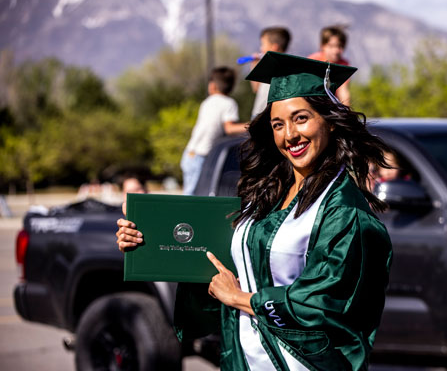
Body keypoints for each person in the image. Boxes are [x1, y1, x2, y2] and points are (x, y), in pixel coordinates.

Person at [116, 52, 393, 370]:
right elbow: (218, 257)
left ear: (330, 122)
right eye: (278, 124)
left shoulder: (344, 213)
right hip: (243, 360)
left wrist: (239, 299)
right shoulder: (267, 196)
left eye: (301, 118)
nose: (289, 135)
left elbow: (321, 303)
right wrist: (145, 239)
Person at [181, 67, 247, 195]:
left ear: (212, 86)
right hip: (200, 155)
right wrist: (251, 125)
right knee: (193, 195)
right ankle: (184, 215)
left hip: (191, 153)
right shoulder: (229, 103)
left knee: (191, 192)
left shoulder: (207, 102)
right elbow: (229, 128)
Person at [250, 26, 292, 118]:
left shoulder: (284, 68)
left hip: (270, 115)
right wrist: (254, 64)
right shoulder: (264, 65)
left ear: (274, 47)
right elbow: (256, 88)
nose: (261, 49)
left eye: (263, 44)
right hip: (258, 113)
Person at [308, 25, 351, 105]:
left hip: (332, 105)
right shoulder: (313, 61)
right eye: (332, 46)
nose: (336, 51)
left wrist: (347, 112)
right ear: (322, 46)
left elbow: (343, 92)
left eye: (340, 46)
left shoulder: (344, 64)